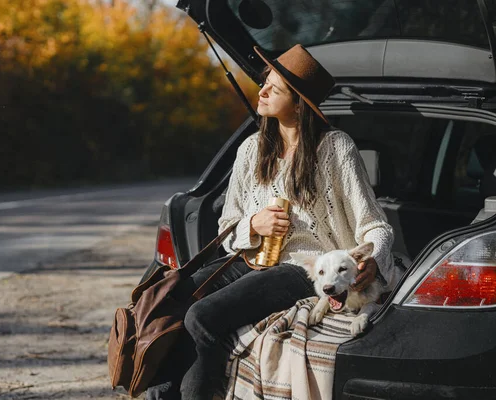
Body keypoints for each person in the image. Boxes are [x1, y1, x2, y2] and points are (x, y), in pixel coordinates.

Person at [146, 44, 400, 400]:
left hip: (303, 267)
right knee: (171, 298)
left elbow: (376, 226)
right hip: (251, 260)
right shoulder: (251, 148)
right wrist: (255, 225)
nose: (261, 91)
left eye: (274, 88)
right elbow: (228, 228)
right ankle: (162, 393)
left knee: (203, 316)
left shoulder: (336, 148)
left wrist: (372, 259)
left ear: (298, 104)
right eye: (265, 82)